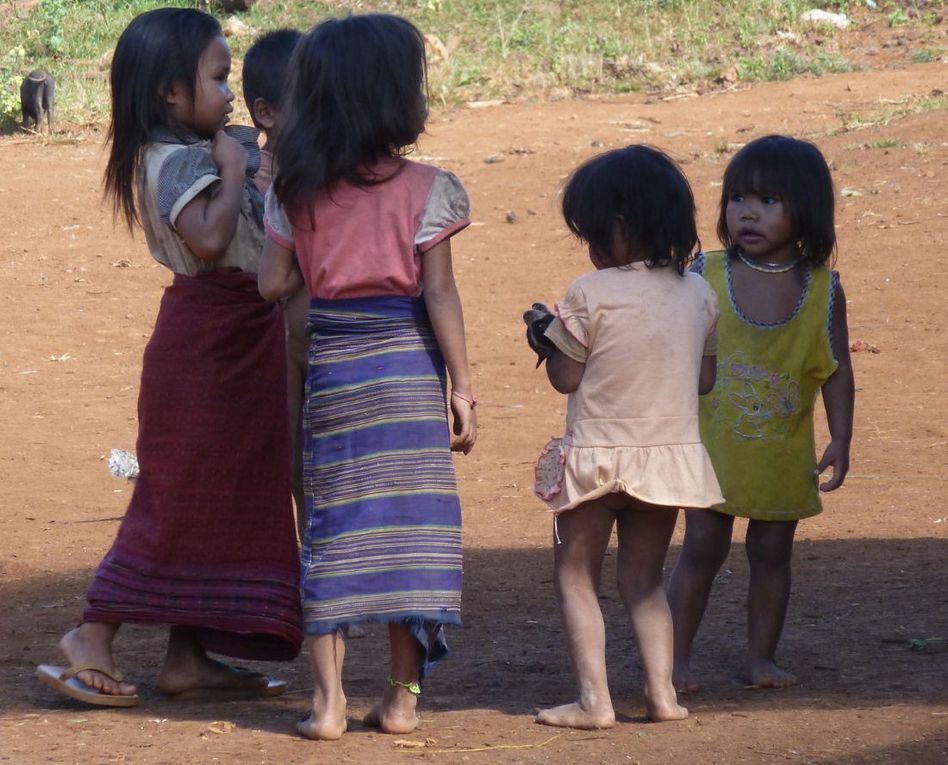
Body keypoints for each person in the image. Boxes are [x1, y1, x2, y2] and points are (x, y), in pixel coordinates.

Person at [35, 8, 302, 708]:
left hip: (240, 337)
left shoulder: (199, 147)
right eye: (217, 79)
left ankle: (187, 654)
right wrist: (241, 167)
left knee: (217, 494)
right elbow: (211, 239)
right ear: (168, 94)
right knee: (177, 495)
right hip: (207, 347)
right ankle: (91, 633)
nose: (229, 94)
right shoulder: (178, 160)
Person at [257, 14, 476, 740]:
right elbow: (438, 294)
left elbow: (272, 283)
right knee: (411, 527)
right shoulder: (429, 188)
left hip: (337, 374)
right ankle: (404, 697)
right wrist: (462, 385)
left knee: (331, 526)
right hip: (410, 373)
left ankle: (327, 705)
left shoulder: (294, 190)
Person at [524, 145, 723, 730]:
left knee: (575, 576)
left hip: (594, 460)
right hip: (664, 465)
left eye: (589, 232)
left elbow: (568, 377)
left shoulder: (588, 292)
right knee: (643, 583)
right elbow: (705, 379)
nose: (586, 246)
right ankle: (663, 696)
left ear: (618, 227)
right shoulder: (700, 296)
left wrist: (545, 337)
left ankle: (595, 702)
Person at [667, 135, 855, 691]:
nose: (748, 213)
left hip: (781, 453)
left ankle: (760, 658)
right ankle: (673, 662)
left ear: (807, 211)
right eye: (738, 199)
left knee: (773, 554)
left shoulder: (823, 289)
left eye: (769, 200)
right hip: (709, 448)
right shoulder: (704, 273)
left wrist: (841, 438)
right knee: (701, 547)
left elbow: (837, 369)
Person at [242, 28, 309, 536]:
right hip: (269, 338)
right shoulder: (255, 179)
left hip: (306, 334)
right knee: (291, 456)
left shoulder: (321, 170)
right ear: (267, 114)